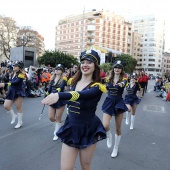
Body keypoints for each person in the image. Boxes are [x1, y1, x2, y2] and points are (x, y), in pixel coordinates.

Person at [41, 49, 107, 170]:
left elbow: (79, 95)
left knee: (85, 165)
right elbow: (70, 100)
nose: (85, 65)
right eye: (83, 62)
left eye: (89, 62)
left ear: (95, 66)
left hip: (88, 128)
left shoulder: (97, 87)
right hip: (71, 126)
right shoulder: (72, 82)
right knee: (65, 168)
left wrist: (59, 95)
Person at [102, 60, 128, 158]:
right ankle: (109, 135)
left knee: (118, 127)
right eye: (115, 67)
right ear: (113, 68)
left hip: (118, 102)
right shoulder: (108, 79)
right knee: (105, 125)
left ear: (121, 70)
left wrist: (122, 83)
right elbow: (102, 86)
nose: (117, 69)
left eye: (119, 67)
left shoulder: (124, 78)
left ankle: (116, 147)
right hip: (109, 102)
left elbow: (125, 82)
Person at [0, 61, 26, 129]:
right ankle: (14, 115)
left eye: (16, 66)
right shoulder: (11, 73)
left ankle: (19, 122)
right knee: (6, 105)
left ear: (19, 67)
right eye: (13, 66)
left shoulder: (21, 74)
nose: (14, 67)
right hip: (11, 91)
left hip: (18, 91)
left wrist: (5, 84)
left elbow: (16, 82)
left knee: (18, 107)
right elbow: (9, 81)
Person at [46, 64, 67, 141]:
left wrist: (56, 91)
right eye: (56, 69)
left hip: (60, 97)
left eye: (59, 69)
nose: (57, 70)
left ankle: (56, 132)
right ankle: (58, 126)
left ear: (62, 71)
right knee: (51, 117)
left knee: (58, 116)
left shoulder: (64, 79)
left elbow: (61, 87)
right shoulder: (52, 78)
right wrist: (47, 93)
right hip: (52, 98)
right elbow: (50, 88)